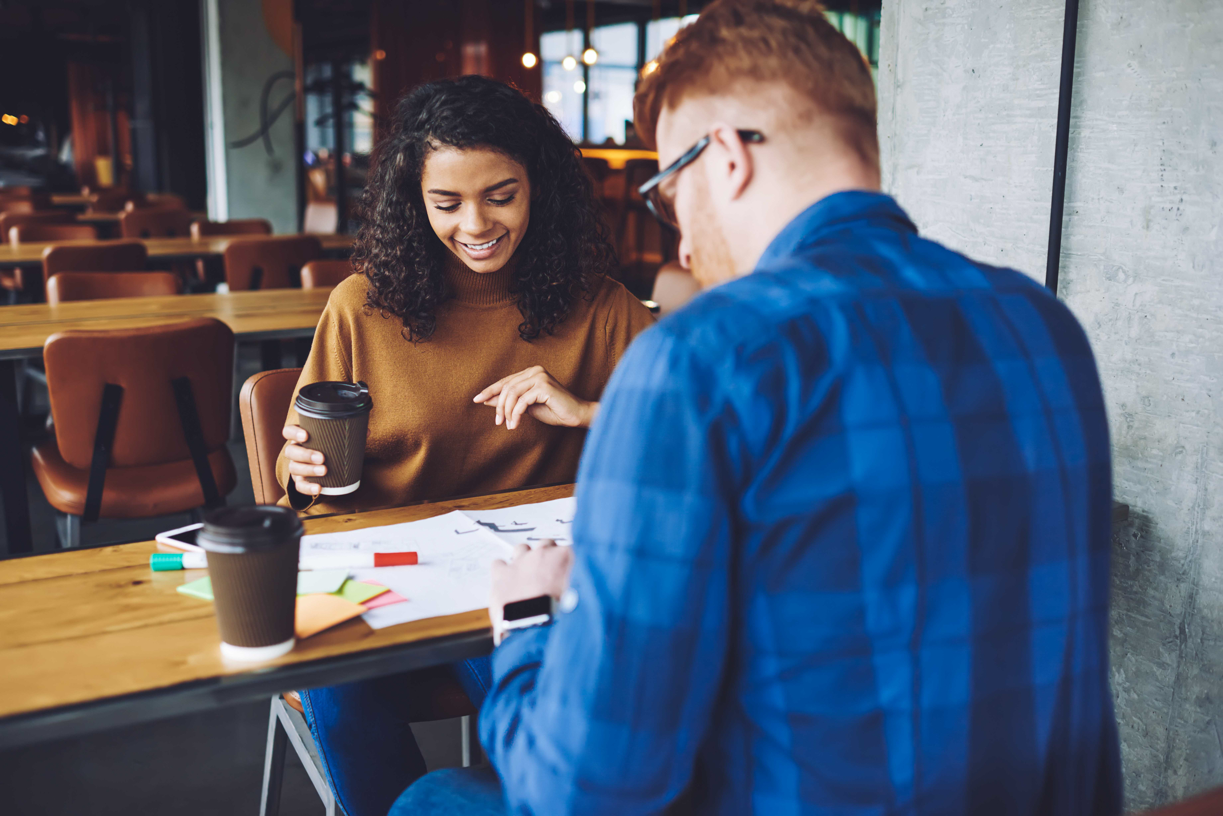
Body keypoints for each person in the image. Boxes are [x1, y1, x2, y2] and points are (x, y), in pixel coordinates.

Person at [392, 1, 1123, 814]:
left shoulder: (702, 362)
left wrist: (528, 620)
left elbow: (585, 787)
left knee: (430, 799)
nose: (680, 246)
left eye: (669, 193)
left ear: (728, 158)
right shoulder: (1042, 328)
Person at [278, 75, 655, 816]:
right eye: (446, 204)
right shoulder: (360, 307)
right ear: (414, 203)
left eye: (500, 196)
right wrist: (298, 471)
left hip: (518, 576)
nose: (475, 224)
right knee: (339, 686)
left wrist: (586, 412)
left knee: (549, 727)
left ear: (537, 187)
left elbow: (684, 450)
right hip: (380, 573)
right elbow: (301, 478)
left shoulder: (602, 306)